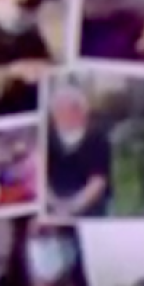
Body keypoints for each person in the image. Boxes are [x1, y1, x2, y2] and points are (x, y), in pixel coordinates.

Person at [46, 82, 113, 218]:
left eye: (70, 109)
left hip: (90, 205)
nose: (63, 115)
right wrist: (53, 203)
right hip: (54, 203)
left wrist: (73, 207)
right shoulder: (47, 138)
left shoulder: (97, 138)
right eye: (58, 110)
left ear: (82, 111)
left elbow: (98, 181)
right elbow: (39, 177)